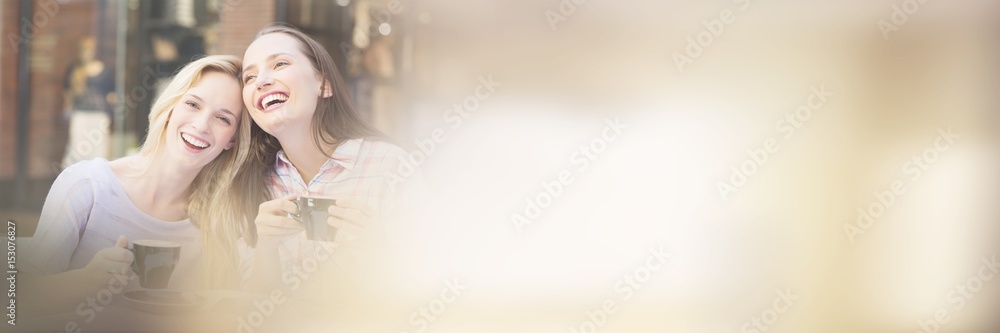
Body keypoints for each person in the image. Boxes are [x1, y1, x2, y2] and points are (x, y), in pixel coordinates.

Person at [23, 55, 251, 314]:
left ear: (232, 140)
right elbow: (16, 300)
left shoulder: (217, 223)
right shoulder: (87, 185)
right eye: (192, 104)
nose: (201, 125)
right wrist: (81, 283)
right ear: (171, 107)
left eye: (223, 119)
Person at [230, 24, 425, 293]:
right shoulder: (252, 182)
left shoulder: (391, 167)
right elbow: (252, 311)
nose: (261, 81)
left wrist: (379, 249)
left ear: (324, 85)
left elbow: (427, 288)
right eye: (249, 77)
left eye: (280, 64)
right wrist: (266, 248)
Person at [61, 36, 115, 168]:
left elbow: (111, 92)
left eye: (90, 49)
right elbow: (67, 92)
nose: (88, 52)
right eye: (85, 49)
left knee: (100, 148)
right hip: (80, 114)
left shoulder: (104, 69)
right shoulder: (74, 69)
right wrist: (67, 109)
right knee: (77, 147)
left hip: (99, 115)